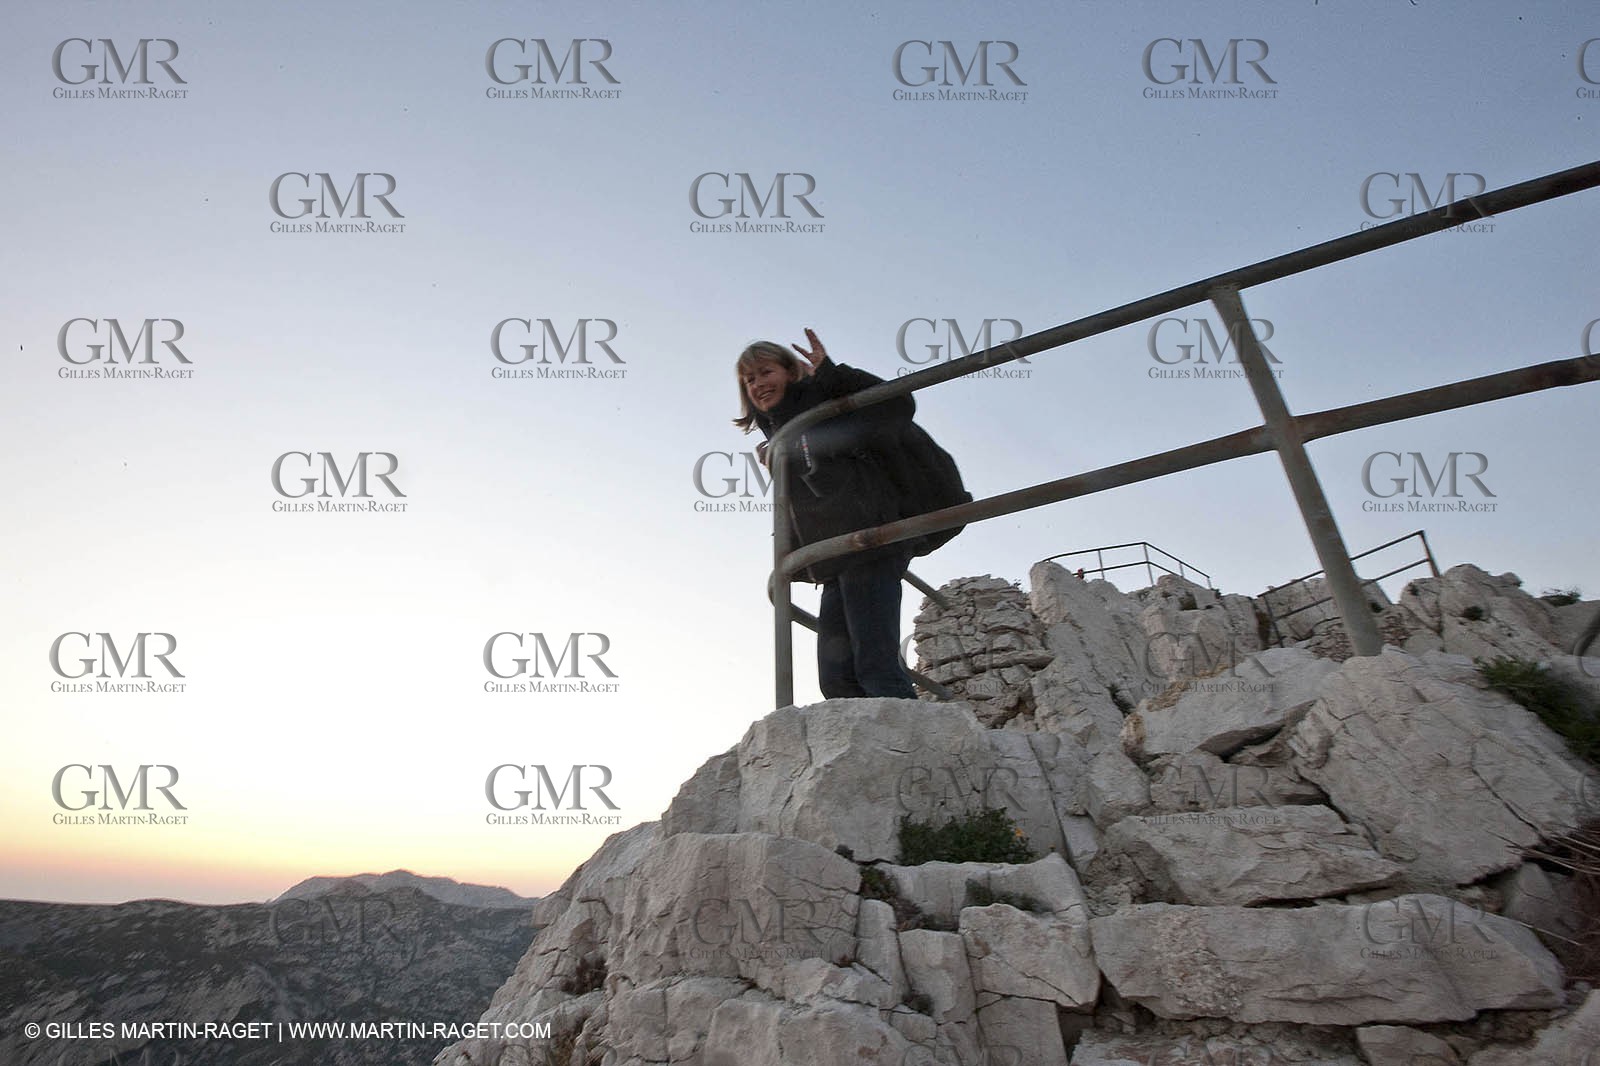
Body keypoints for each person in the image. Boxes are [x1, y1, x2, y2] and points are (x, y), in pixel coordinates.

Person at [734, 327, 969, 700]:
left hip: (872, 541)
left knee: (875, 665)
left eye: (766, 372)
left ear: (790, 372)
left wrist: (831, 372)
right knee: (837, 680)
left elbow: (896, 405)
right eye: (749, 380)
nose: (758, 384)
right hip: (834, 557)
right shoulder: (781, 437)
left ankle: (914, 749)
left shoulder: (823, 402)